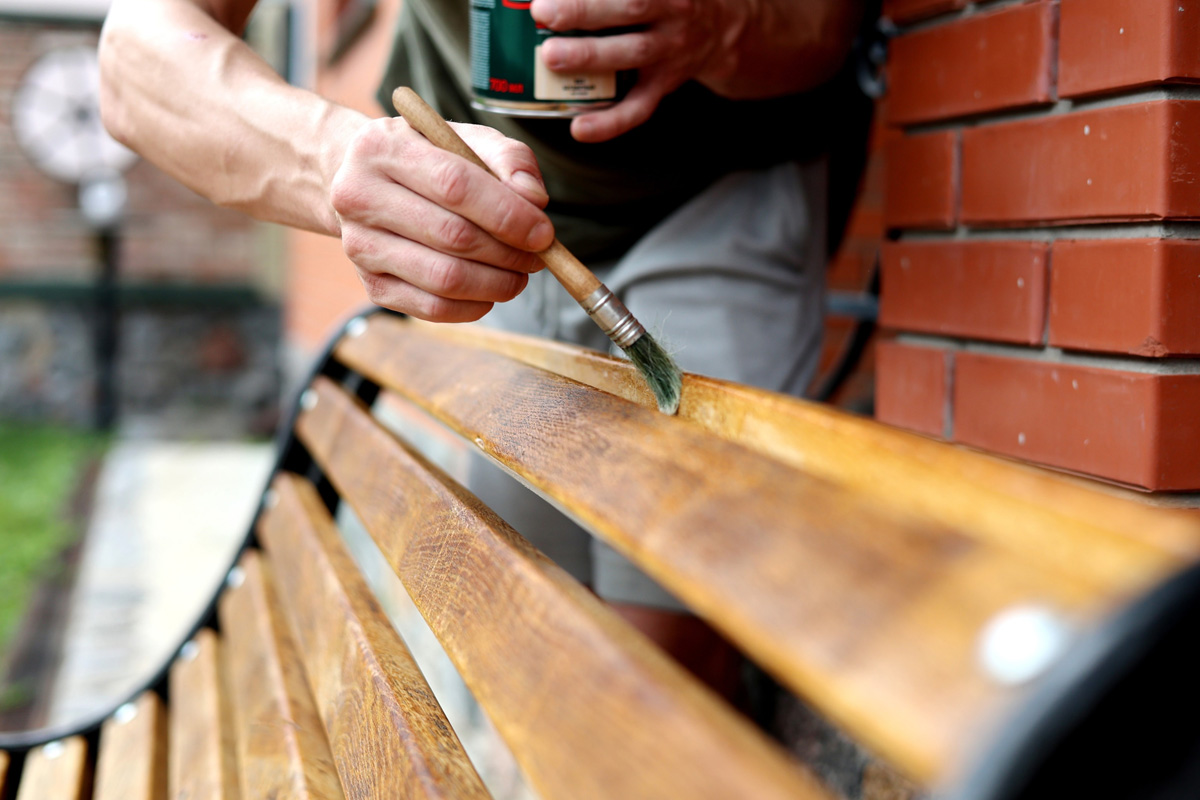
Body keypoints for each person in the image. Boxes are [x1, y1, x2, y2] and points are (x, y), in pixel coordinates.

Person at [98, 0, 865, 695]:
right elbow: (137, 56)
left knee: (658, 659)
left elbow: (836, 23)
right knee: (533, 613)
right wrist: (333, 158)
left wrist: (729, 25)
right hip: (476, 199)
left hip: (720, 184)